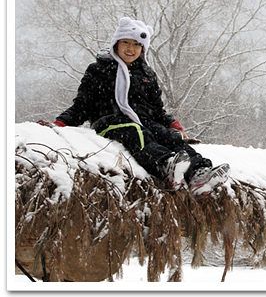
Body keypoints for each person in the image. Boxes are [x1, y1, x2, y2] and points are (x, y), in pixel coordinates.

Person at [40, 17, 229, 195]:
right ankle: (165, 165)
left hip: (144, 121)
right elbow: (81, 106)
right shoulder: (99, 69)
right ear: (116, 44)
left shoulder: (147, 74)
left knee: (169, 137)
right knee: (136, 132)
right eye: (126, 42)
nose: (131, 48)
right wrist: (60, 123)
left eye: (137, 45)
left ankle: (199, 173)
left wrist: (172, 124)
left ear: (143, 49)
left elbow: (157, 110)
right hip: (110, 122)